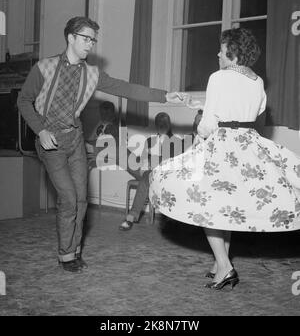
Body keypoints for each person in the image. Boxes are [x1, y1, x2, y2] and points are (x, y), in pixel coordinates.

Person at [17, 16, 187, 273]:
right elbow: (23, 101)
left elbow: (126, 88)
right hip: (50, 143)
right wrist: (40, 131)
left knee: (82, 199)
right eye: (86, 38)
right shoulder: (44, 68)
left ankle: (74, 252)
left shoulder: (92, 73)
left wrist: (165, 96)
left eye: (93, 40)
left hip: (73, 139)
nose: (90, 44)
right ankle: (65, 255)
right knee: (69, 198)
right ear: (71, 37)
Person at [149, 28, 300, 290]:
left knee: (208, 207)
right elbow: (257, 109)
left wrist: (199, 137)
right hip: (248, 143)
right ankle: (221, 263)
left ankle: (225, 266)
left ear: (232, 52)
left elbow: (209, 123)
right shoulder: (257, 81)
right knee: (226, 208)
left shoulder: (218, 77)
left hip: (222, 144)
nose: (218, 53)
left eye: (222, 49)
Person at [119, 112, 183, 231]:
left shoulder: (177, 142)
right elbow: (143, 159)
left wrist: (154, 163)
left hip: (164, 175)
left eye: (164, 123)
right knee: (126, 158)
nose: (162, 125)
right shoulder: (149, 141)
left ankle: (130, 218)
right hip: (147, 172)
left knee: (146, 177)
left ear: (169, 125)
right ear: (156, 125)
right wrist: (144, 167)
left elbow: (174, 164)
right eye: (159, 122)